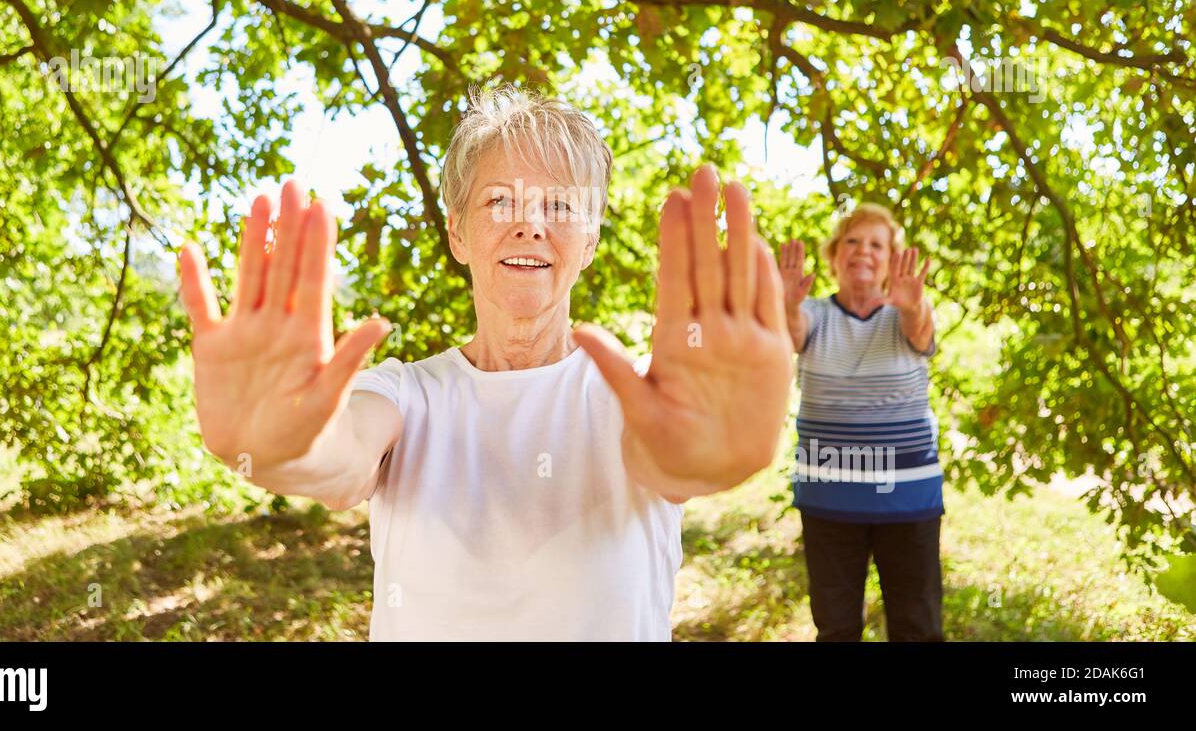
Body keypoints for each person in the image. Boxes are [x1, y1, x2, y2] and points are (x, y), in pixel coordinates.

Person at [177, 85, 794, 640]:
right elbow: (337, 455)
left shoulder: (640, 397)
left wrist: (713, 453)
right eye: (500, 201)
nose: (529, 224)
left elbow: (671, 458)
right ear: (458, 233)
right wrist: (280, 446)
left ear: (591, 240)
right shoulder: (406, 395)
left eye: (558, 206)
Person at [779, 203, 944, 641]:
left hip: (907, 499)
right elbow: (793, 334)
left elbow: (921, 331)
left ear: (892, 260)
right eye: (852, 241)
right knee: (835, 629)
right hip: (829, 498)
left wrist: (914, 305)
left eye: (876, 244)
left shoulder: (906, 314)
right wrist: (786, 304)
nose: (863, 252)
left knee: (918, 627)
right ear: (834, 256)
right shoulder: (814, 312)